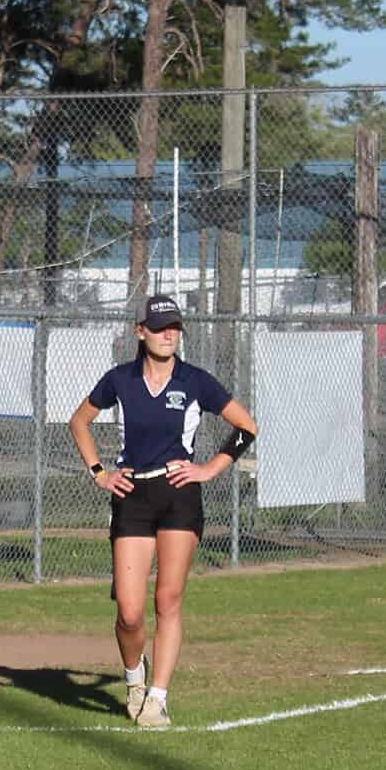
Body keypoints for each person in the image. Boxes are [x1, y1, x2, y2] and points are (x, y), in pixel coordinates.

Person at [68, 294, 258, 728]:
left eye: (175, 327)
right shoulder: (120, 380)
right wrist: (99, 472)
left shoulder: (195, 381)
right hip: (132, 496)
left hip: (179, 497)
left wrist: (209, 468)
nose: (169, 334)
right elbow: (79, 422)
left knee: (167, 599)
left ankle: (158, 698)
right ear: (141, 332)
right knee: (130, 613)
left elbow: (247, 427)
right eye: (159, 327)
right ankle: (135, 679)